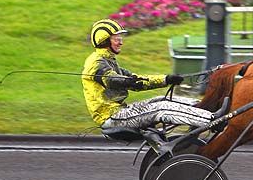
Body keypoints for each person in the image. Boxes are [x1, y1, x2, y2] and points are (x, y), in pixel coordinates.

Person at [82, 18, 221, 132]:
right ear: (104, 40)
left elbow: (139, 80)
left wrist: (166, 79)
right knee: (161, 108)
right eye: (116, 38)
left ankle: (206, 107)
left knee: (161, 99)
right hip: (111, 117)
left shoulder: (109, 60)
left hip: (121, 111)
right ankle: (212, 120)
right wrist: (128, 81)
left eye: (120, 38)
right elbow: (111, 80)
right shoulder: (95, 63)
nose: (121, 42)